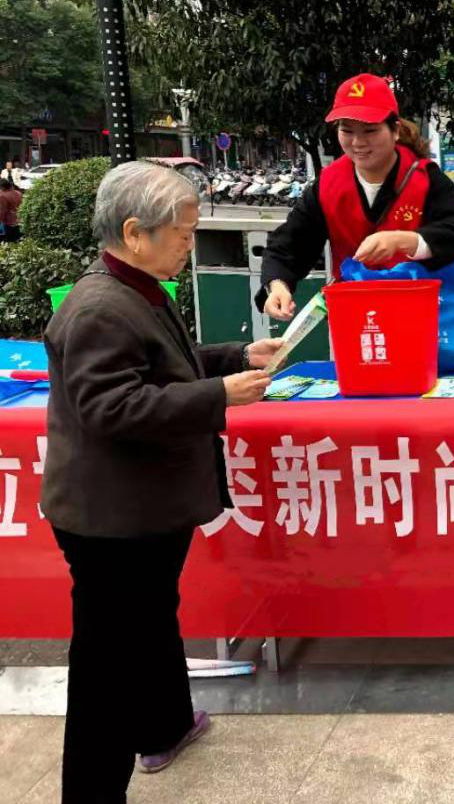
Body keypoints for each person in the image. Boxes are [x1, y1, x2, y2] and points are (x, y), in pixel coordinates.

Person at [41, 161, 282, 799]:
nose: (189, 245)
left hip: (141, 507)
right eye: (182, 233)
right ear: (134, 232)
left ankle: (165, 726)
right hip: (111, 518)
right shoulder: (100, 308)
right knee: (107, 665)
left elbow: (163, 366)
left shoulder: (138, 289)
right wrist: (220, 395)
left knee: (149, 623)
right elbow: (113, 408)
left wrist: (233, 358)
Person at [258, 73, 454, 318]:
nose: (358, 142)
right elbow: (291, 243)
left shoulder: (425, 178)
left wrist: (404, 240)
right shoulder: (329, 183)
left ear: (395, 130)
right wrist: (277, 285)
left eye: (370, 130)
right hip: (357, 316)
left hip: (424, 315)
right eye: (347, 131)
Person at [0, 177, 21, 242]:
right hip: (19, 220)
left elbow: (3, 211)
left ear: (3, 187)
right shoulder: (18, 193)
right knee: (17, 240)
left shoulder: (3, 196)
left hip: (9, 222)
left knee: (10, 241)